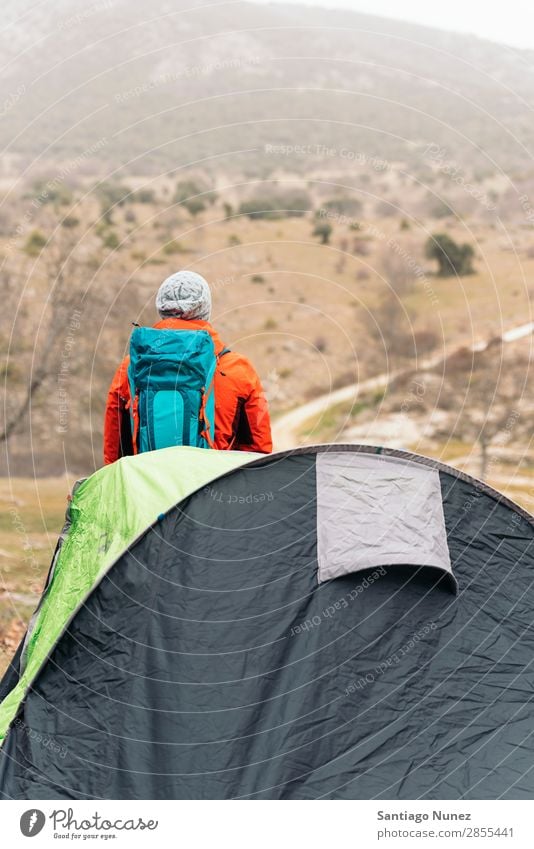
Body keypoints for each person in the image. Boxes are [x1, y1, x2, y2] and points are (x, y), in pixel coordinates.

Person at [103, 271, 272, 464]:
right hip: (213, 491)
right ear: (205, 309)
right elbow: (258, 453)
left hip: (149, 491)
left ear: (161, 309)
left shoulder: (131, 367)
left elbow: (114, 455)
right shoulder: (238, 369)